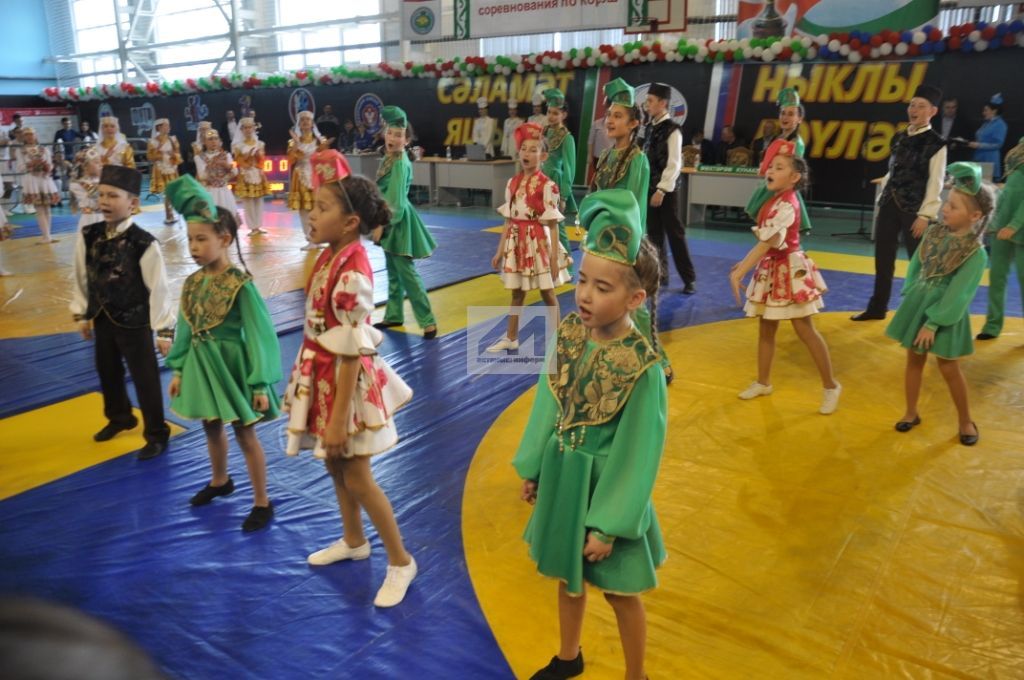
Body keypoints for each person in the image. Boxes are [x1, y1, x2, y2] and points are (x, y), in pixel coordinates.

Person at [513, 188, 667, 680]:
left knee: (622, 593)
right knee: (568, 578)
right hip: (565, 477)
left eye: (602, 288)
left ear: (635, 299)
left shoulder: (642, 367)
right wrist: (536, 466)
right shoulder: (569, 333)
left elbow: (638, 452)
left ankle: (635, 674)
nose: (584, 295)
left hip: (607, 494)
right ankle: (568, 656)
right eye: (582, 281)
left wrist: (609, 525)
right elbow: (548, 402)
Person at [284, 149, 418, 608]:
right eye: (312, 205)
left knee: (357, 473)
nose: (310, 214)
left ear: (349, 222)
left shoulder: (354, 268)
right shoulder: (328, 256)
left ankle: (400, 560)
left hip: (346, 384)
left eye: (322, 208)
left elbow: (349, 350)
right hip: (322, 376)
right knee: (332, 464)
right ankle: (354, 539)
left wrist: (339, 417)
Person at [162, 175, 281, 531]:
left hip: (232, 365)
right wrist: (179, 368)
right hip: (201, 364)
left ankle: (262, 500)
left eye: (202, 239)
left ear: (224, 239)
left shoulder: (240, 284)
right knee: (210, 425)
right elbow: (186, 326)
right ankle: (219, 480)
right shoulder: (192, 282)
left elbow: (261, 335)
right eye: (190, 240)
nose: (194, 247)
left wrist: (260, 384)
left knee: (245, 432)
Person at [70, 165, 173, 461]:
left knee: (145, 377)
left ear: (133, 203)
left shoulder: (144, 242)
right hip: (103, 316)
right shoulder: (88, 235)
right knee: (107, 370)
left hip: (135, 321)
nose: (104, 201)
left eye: (113, 195)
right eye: (101, 195)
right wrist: (82, 313)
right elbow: (80, 274)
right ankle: (119, 417)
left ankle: (156, 432)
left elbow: (160, 289)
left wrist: (164, 331)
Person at [729, 140, 840, 414]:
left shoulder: (788, 205)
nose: (771, 170)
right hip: (773, 268)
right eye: (771, 166)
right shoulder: (774, 199)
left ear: (794, 178)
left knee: (805, 329)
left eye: (779, 167)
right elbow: (766, 244)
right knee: (766, 328)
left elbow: (767, 243)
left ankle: (831, 385)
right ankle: (763, 382)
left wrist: (740, 271)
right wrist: (742, 265)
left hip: (790, 270)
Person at [885, 163, 993, 446]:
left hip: (945, 313)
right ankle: (910, 411)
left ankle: (965, 419)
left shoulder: (975, 253)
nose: (945, 209)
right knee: (914, 359)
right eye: (947, 203)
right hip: (921, 302)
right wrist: (911, 293)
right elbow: (917, 264)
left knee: (948, 368)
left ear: (975, 215)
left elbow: (960, 293)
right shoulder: (934, 233)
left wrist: (933, 322)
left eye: (954, 207)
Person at [592, 78, 673, 385]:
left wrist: (599, 208)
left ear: (634, 123)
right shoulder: (608, 157)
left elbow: (631, 205)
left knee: (634, 309)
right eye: (609, 115)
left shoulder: (637, 160)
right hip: (602, 239)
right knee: (602, 304)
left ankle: (660, 362)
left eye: (618, 116)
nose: (610, 121)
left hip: (626, 241)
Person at [852, 84, 946, 321]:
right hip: (889, 204)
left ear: (932, 111)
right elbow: (894, 168)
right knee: (883, 258)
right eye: (912, 104)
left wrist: (926, 215)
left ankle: (920, 313)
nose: (914, 109)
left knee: (919, 263)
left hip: (915, 210)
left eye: (921, 106)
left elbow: (937, 181)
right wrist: (885, 185)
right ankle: (877, 307)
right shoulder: (899, 136)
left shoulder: (936, 143)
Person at [487, 122, 570, 352]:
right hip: (517, 242)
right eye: (524, 148)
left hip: (539, 242)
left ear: (543, 156)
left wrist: (553, 258)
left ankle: (557, 338)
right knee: (517, 292)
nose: (527, 153)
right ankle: (511, 337)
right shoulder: (512, 183)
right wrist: (500, 250)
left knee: (548, 292)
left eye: (533, 150)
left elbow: (552, 225)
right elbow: (508, 220)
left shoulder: (548, 186)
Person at [372, 106, 438, 339]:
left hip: (396, 223)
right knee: (392, 271)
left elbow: (397, 203)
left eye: (399, 135)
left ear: (406, 140)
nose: (393, 138)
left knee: (407, 273)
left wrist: (381, 224)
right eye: (390, 133)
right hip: (390, 220)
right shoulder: (389, 158)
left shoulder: (399, 162)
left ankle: (428, 321)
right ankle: (394, 314)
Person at [644, 82, 697, 294]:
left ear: (662, 103)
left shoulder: (673, 130)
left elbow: (675, 163)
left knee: (675, 235)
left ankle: (689, 278)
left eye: (650, 101)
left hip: (666, 191)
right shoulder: (649, 128)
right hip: (649, 188)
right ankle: (660, 274)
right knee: (654, 235)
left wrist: (662, 190)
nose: (647, 105)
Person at [745, 88, 813, 234]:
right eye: (783, 113)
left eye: (791, 114)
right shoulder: (779, 138)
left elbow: (792, 172)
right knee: (769, 234)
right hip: (770, 186)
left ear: (799, 119)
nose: (785, 117)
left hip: (782, 192)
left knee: (780, 234)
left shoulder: (796, 143)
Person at [977, 138, 1024, 340]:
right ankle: (992, 325)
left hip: (1018, 225)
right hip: (1002, 225)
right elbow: (1012, 185)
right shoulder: (1020, 142)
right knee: (996, 277)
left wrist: (1014, 224)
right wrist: (995, 221)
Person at [540, 88, 577, 268]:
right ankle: (546, 263)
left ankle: (567, 265)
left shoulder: (567, 138)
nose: (551, 116)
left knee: (558, 227)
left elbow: (569, 168)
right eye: (549, 112)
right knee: (539, 225)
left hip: (554, 182)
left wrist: (564, 195)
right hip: (539, 182)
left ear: (564, 115)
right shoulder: (544, 131)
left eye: (556, 113)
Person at [16, 127, 61, 243]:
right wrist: (31, 165)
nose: (30, 137)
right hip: (32, 180)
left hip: (44, 179)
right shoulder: (20, 151)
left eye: (32, 134)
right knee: (40, 209)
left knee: (47, 208)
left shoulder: (44, 149)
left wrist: (47, 168)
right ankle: (45, 236)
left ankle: (48, 235)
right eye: (27, 135)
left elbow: (50, 165)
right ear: (24, 137)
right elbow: (20, 167)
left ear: (36, 135)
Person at [289, 110, 326, 247]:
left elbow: (326, 158)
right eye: (302, 120)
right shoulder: (293, 142)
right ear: (299, 124)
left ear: (312, 123)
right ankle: (310, 238)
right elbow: (291, 160)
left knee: (318, 207)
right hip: (301, 175)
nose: (305, 122)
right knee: (304, 208)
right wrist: (296, 144)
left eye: (308, 120)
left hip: (316, 174)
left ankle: (319, 236)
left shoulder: (319, 140)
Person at [232, 117, 271, 234]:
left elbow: (262, 160)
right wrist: (247, 157)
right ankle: (252, 226)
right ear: (242, 130)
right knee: (248, 201)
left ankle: (258, 225)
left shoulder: (260, 143)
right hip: (246, 174)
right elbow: (238, 162)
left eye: (250, 127)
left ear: (254, 128)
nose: (248, 130)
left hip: (257, 173)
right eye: (245, 128)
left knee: (259, 200)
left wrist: (259, 156)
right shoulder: (238, 146)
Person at [146, 118, 182, 225]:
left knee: (172, 193)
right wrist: (161, 154)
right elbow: (150, 156)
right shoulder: (153, 142)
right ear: (159, 127)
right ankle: (169, 215)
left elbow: (178, 155)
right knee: (167, 193)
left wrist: (173, 155)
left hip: (171, 169)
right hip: (161, 170)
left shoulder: (173, 139)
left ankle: (171, 213)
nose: (168, 127)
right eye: (165, 125)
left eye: (168, 125)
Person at [970, 93, 1008, 179]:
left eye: (986, 110)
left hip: (990, 159)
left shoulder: (1001, 125)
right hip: (978, 158)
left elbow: (998, 144)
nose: (983, 113)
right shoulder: (986, 123)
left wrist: (979, 145)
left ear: (994, 111)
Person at [69, 147, 105, 231]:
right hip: (90, 220)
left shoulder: (102, 180)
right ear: (85, 167)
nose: (101, 165)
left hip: (104, 218)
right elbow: (97, 198)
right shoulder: (77, 184)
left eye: (100, 162)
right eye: (96, 162)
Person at [938, 97, 972, 163]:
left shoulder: (963, 122)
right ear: (942, 108)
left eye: (953, 107)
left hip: (955, 157)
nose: (950, 110)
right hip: (937, 154)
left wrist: (957, 144)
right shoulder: (934, 120)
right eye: (947, 107)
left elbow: (968, 140)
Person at [586, 112, 612, 185]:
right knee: (598, 177)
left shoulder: (615, 126)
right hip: (598, 157)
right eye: (608, 112)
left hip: (611, 157)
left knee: (608, 179)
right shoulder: (597, 123)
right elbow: (590, 141)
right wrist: (589, 155)